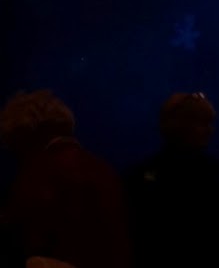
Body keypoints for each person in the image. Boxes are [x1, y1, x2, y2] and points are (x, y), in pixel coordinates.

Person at [1, 88, 133, 268]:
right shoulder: (104, 170)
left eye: (13, 144)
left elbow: (24, 238)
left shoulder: (37, 175)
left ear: (24, 135)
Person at [126, 91, 219, 268]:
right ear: (178, 125)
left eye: (209, 123)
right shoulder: (142, 175)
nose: (210, 131)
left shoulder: (212, 171)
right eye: (203, 123)